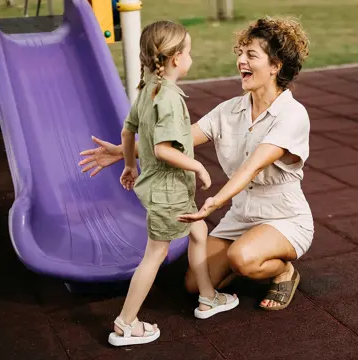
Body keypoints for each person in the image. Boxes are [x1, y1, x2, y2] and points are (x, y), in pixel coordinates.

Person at [79, 16, 313, 312]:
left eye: (251, 55)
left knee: (243, 258)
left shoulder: (292, 115)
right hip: (241, 216)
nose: (241, 60)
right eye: (240, 53)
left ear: (276, 66)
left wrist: (214, 202)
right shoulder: (229, 110)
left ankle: (283, 272)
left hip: (283, 218)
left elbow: (251, 167)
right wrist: (123, 151)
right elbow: (176, 140)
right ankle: (242, 259)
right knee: (194, 284)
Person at [106, 20, 239, 347]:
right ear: (176, 58)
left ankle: (207, 297)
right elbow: (162, 149)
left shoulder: (146, 88)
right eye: (189, 52)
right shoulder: (167, 98)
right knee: (155, 254)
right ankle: (125, 323)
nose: (191, 57)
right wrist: (198, 166)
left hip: (163, 189)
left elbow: (128, 132)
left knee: (198, 231)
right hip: (168, 191)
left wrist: (128, 165)